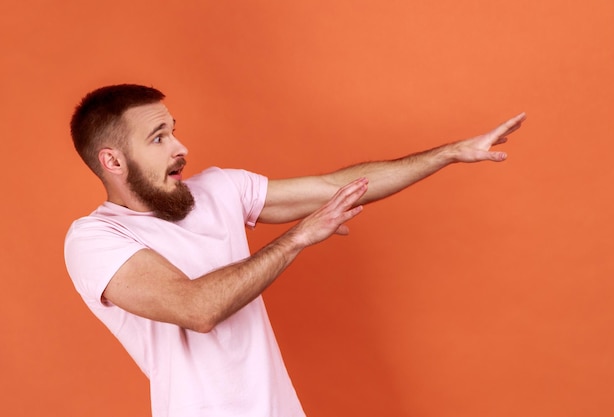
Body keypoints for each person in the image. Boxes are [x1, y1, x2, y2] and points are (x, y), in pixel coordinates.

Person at [64, 83, 525, 417]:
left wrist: (449, 153)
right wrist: (298, 237)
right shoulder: (96, 239)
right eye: (158, 138)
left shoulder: (220, 189)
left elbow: (335, 187)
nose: (180, 147)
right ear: (112, 161)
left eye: (174, 131)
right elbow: (196, 307)